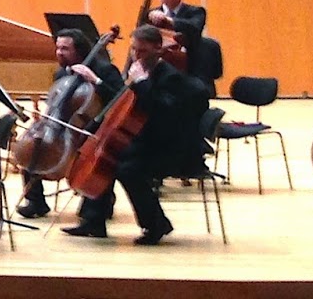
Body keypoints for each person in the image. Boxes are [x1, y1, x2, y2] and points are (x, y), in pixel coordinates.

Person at [63, 24, 208, 245]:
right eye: (134, 49)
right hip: (148, 140)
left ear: (158, 48)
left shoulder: (169, 77)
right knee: (107, 155)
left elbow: (160, 111)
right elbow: (122, 101)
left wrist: (141, 82)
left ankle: (156, 224)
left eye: (142, 50)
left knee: (127, 168)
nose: (136, 55)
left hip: (172, 147)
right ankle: (94, 221)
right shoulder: (139, 73)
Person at [15, 29, 123, 219]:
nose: (59, 53)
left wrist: (95, 80)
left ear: (79, 50)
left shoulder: (105, 70)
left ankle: (99, 204)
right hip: (63, 127)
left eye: (65, 49)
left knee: (94, 156)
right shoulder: (61, 73)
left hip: (95, 130)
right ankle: (36, 202)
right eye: (58, 48)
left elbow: (120, 98)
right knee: (34, 146)